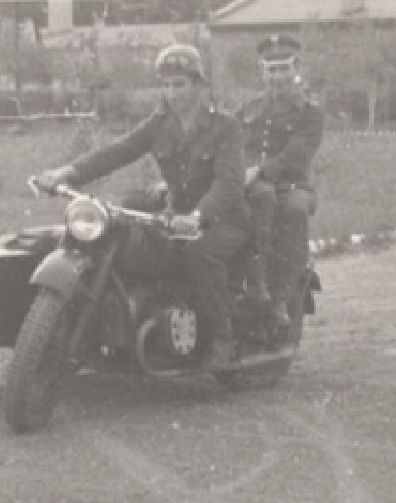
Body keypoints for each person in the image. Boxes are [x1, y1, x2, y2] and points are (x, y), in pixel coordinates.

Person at [38, 44, 250, 370]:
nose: (172, 92)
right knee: (125, 241)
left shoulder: (226, 127)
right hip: (175, 216)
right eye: (165, 85)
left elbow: (229, 184)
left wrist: (196, 217)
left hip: (224, 219)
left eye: (179, 84)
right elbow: (120, 151)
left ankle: (222, 339)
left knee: (200, 255)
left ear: (198, 85)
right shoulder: (161, 122)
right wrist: (69, 172)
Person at [238, 34, 324, 326]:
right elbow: (229, 144)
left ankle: (280, 295)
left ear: (296, 68)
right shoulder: (247, 109)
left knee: (294, 210)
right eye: (271, 70)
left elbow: (295, 157)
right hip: (250, 185)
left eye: (284, 68)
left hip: (291, 185)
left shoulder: (310, 114)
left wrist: (258, 172)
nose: (278, 77)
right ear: (262, 72)